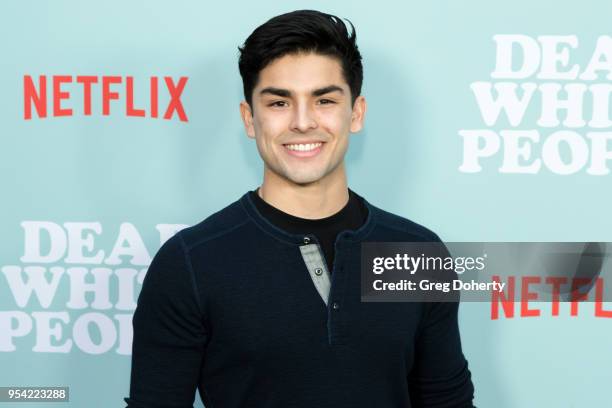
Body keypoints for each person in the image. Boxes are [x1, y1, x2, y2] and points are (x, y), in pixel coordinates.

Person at [125, 9, 475, 408]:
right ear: (250, 118)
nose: (303, 122)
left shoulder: (418, 253)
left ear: (355, 113)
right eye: (279, 103)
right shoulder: (190, 262)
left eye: (324, 100)